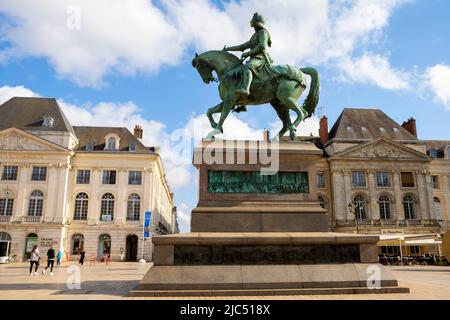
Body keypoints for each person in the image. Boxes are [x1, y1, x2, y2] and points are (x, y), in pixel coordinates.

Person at [224, 12, 273, 99]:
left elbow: (262, 46)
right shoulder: (254, 36)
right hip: (254, 58)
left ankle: (246, 89)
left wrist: (248, 53)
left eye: (252, 19)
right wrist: (228, 49)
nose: (251, 21)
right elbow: (242, 46)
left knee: (247, 67)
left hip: (260, 58)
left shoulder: (263, 32)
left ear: (257, 21)